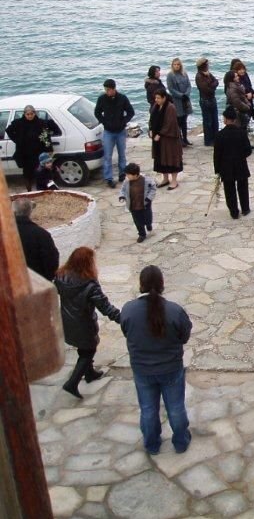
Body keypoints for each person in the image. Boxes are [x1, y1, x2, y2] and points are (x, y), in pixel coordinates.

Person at [120, 265, 192, 455]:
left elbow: (126, 331)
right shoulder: (174, 311)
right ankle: (180, 442)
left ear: (141, 284)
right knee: (175, 408)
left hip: (142, 369)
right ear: (162, 284)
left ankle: (152, 444)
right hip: (170, 368)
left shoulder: (128, 310)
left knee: (148, 409)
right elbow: (184, 335)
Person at [54, 247, 120, 399]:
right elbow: (105, 307)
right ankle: (72, 383)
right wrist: (121, 318)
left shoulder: (60, 277)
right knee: (88, 351)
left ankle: (89, 373)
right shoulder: (90, 285)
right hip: (84, 324)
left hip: (68, 321)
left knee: (83, 348)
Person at [6, 105, 59, 191]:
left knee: (41, 173)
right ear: (24, 114)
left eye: (32, 114)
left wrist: (49, 149)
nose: (30, 116)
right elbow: (8, 130)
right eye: (28, 114)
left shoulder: (41, 123)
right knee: (27, 174)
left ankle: (41, 190)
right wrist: (17, 140)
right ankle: (29, 191)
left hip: (38, 153)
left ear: (35, 113)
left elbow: (46, 137)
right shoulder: (18, 123)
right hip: (25, 154)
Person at [94, 79, 135, 188]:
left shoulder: (122, 98)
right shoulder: (102, 99)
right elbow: (97, 112)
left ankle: (122, 174)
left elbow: (131, 112)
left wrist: (124, 121)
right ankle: (109, 178)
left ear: (114, 89)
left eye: (108, 90)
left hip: (120, 131)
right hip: (108, 131)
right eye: (106, 90)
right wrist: (104, 122)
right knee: (107, 156)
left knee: (122, 154)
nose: (107, 92)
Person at [214, 106, 252, 219]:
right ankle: (245, 208)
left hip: (226, 166)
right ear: (235, 119)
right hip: (240, 164)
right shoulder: (242, 133)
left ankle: (234, 212)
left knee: (229, 190)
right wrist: (241, 156)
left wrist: (217, 169)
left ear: (226, 119)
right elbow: (248, 150)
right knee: (243, 187)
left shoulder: (220, 135)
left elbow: (217, 155)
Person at [12, 198, 59, 280]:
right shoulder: (42, 234)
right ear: (30, 212)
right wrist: (46, 279)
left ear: (14, 212)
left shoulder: (5, 232)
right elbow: (51, 260)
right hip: (36, 280)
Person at [149, 88, 183, 190]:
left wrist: (160, 134)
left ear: (164, 98)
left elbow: (170, 123)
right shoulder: (155, 106)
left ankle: (174, 180)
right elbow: (151, 119)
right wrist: (150, 129)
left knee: (171, 158)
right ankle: (165, 178)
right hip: (158, 139)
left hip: (169, 139)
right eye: (155, 98)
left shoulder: (170, 107)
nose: (156, 100)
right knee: (160, 158)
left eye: (158, 98)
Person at [119, 163, 157, 243]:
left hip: (145, 204)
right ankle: (142, 234)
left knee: (148, 218)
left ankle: (149, 225)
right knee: (137, 221)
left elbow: (153, 188)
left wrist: (149, 198)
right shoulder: (126, 181)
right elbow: (123, 190)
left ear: (135, 175)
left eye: (128, 175)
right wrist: (122, 196)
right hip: (133, 206)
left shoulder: (146, 180)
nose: (127, 176)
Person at [166, 58, 193, 147]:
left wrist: (186, 94)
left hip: (185, 99)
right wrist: (181, 95)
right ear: (172, 65)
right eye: (175, 64)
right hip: (177, 100)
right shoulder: (170, 75)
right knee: (178, 120)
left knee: (184, 120)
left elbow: (189, 85)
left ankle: (185, 138)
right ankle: (179, 139)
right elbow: (171, 89)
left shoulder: (184, 74)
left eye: (178, 64)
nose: (177, 66)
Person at [194, 57, 219, 147]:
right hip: (205, 101)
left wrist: (212, 85)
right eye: (207, 64)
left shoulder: (208, 74)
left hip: (212, 99)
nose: (208, 66)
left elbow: (216, 81)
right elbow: (206, 90)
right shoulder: (199, 76)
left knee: (215, 120)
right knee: (208, 122)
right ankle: (208, 141)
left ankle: (215, 138)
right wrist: (213, 85)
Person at [227, 62, 252, 129]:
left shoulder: (244, 77)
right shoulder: (233, 87)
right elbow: (237, 100)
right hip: (240, 109)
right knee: (240, 125)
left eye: (243, 69)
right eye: (240, 70)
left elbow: (249, 86)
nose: (242, 71)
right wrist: (247, 106)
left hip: (245, 104)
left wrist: (252, 93)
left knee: (244, 123)